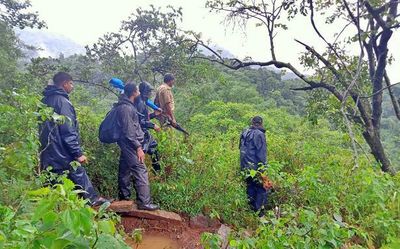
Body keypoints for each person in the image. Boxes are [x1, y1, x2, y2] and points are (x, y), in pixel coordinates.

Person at [39, 72, 109, 206]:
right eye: (71, 83)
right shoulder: (63, 102)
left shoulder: (45, 100)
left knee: (54, 180)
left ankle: (59, 206)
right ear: (64, 83)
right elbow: (68, 130)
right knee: (77, 171)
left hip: (47, 150)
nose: (72, 86)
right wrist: (77, 153)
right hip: (62, 149)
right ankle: (92, 201)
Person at [115, 83, 159, 211]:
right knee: (140, 170)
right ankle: (144, 202)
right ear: (134, 92)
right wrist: (138, 147)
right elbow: (129, 130)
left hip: (127, 143)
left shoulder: (127, 105)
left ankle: (124, 197)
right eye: (137, 91)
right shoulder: (126, 108)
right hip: (131, 144)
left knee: (124, 169)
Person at [239, 116, 268, 216]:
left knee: (250, 187)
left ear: (252, 123)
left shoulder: (244, 132)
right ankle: (259, 214)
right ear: (261, 123)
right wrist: (263, 171)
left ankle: (250, 212)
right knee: (261, 188)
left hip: (244, 166)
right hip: (255, 167)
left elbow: (241, 149)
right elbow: (261, 154)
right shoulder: (259, 134)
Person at [134, 82, 162, 172]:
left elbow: (145, 117)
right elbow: (140, 122)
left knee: (154, 149)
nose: (150, 94)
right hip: (139, 134)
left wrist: (154, 114)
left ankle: (157, 173)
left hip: (143, 133)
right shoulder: (139, 103)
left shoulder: (142, 102)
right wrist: (153, 125)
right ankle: (140, 175)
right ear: (144, 91)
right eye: (148, 91)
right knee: (139, 157)